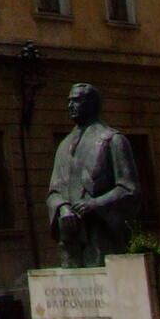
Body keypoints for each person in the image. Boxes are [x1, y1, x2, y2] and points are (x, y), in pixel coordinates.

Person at [45, 82, 141, 267]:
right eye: (69, 101)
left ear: (92, 104)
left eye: (77, 101)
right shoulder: (64, 145)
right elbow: (54, 192)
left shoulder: (112, 140)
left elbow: (130, 189)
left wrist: (95, 204)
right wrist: (62, 208)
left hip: (102, 236)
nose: (70, 105)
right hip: (71, 239)